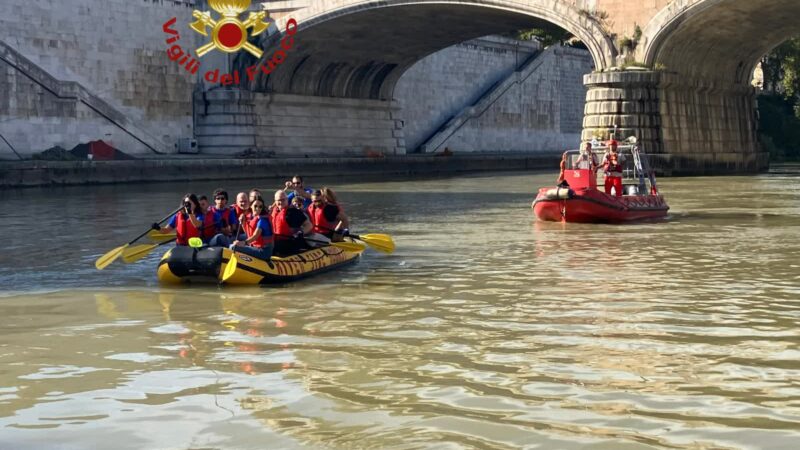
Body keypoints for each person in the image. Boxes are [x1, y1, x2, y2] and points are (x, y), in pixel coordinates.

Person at [271, 190, 313, 256]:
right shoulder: (274, 211)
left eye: (283, 200)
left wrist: (301, 232)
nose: (281, 202)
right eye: (278, 200)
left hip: (290, 242)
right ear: (275, 201)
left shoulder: (293, 212)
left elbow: (309, 225)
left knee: (276, 246)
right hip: (276, 241)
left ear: (287, 200)